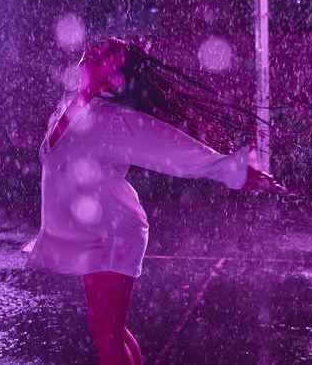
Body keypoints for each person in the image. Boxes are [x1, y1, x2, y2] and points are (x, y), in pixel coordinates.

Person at [25, 38, 285, 365]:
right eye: (101, 45)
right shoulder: (72, 105)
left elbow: (170, 149)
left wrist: (231, 169)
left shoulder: (110, 119)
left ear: (116, 78)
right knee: (110, 332)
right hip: (92, 230)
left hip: (113, 233)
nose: (95, 49)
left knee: (106, 335)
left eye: (108, 53)